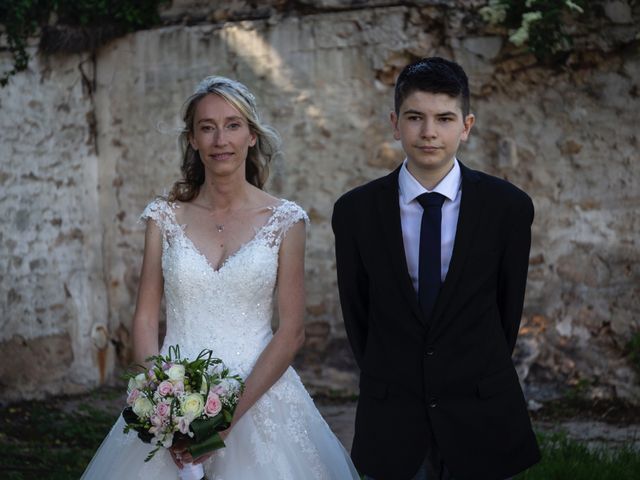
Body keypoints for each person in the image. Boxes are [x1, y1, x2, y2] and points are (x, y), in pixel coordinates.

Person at [82, 76, 360, 480]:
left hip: (260, 399)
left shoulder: (285, 221)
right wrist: (163, 404)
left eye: (232, 125)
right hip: (174, 403)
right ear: (193, 139)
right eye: (207, 127)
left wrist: (227, 418)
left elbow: (292, 333)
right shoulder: (164, 217)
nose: (220, 139)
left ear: (251, 136)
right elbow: (144, 318)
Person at [332, 57, 541, 480]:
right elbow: (358, 315)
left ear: (466, 126)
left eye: (444, 118)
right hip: (393, 417)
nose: (429, 132)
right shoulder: (356, 212)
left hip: (481, 411)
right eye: (415, 117)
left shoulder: (508, 209)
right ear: (395, 123)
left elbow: (506, 311)